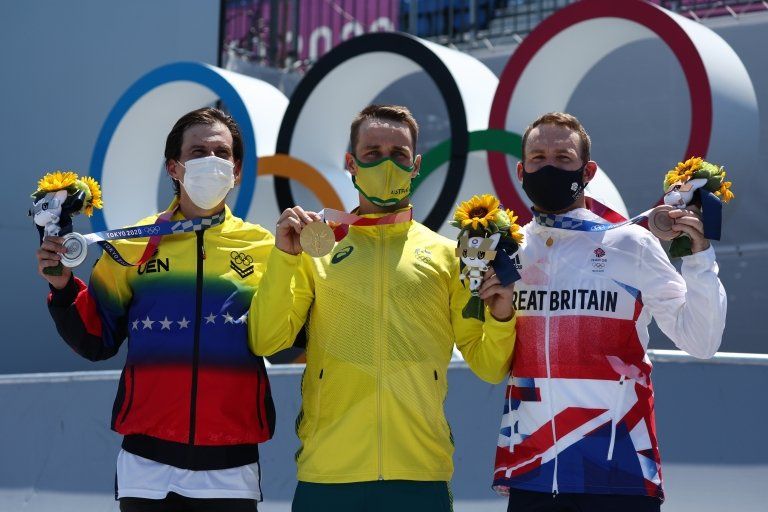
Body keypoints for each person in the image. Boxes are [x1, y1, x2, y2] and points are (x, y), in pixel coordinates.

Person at [249, 104, 516, 511]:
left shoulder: (448, 255)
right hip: (328, 472)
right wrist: (285, 256)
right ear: (350, 163)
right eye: (372, 153)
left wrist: (501, 316)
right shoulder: (316, 247)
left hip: (419, 473)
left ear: (416, 165)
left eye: (399, 154)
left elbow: (489, 365)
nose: (386, 162)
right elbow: (267, 339)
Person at [37, 107, 275, 512]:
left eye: (221, 153)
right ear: (174, 167)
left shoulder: (266, 248)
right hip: (147, 463)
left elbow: (286, 333)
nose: (210, 161)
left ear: (236, 171)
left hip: (231, 461)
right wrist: (62, 289)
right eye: (197, 152)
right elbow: (97, 340)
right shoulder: (132, 245)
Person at [491, 112, 727, 511]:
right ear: (521, 170)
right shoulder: (507, 252)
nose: (549, 167)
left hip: (620, 474)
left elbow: (701, 341)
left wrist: (700, 258)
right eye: (538, 158)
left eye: (563, 158)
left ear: (588, 171)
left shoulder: (631, 243)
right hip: (531, 472)